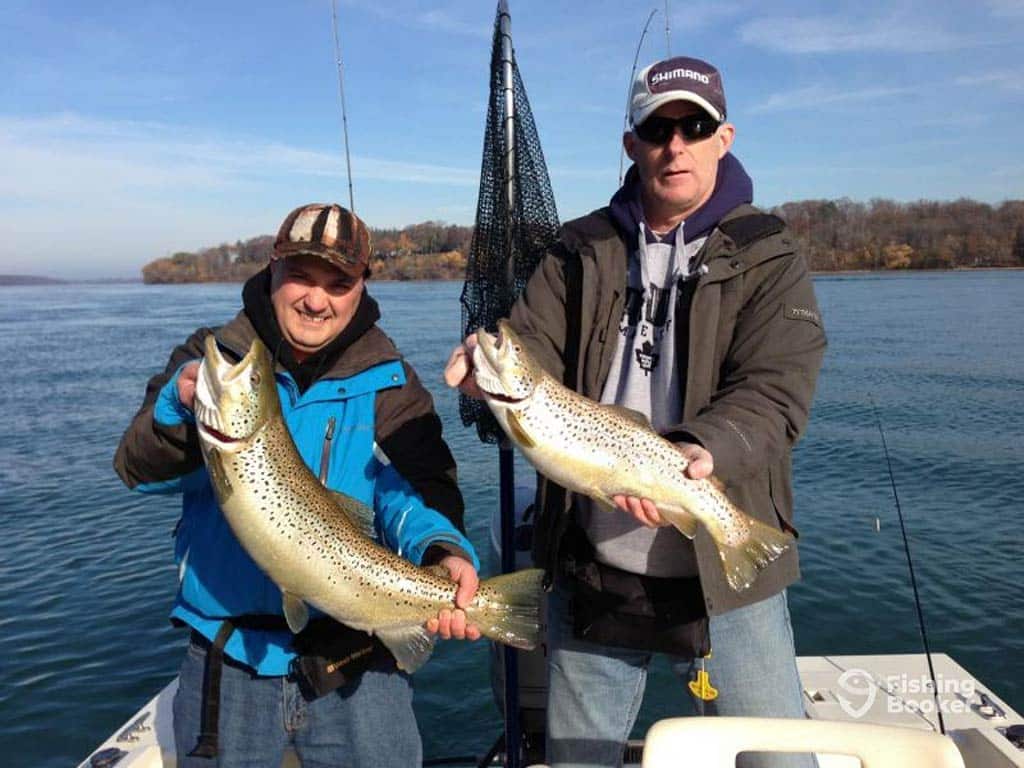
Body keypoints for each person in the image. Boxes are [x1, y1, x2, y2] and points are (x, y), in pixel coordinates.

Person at [446, 55, 826, 767]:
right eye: (657, 127)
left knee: (782, 758)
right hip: (595, 567)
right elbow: (526, 343)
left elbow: (775, 391)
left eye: (694, 125)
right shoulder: (578, 247)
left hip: (726, 576)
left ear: (724, 136)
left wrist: (701, 449)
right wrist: (481, 366)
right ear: (632, 143)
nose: (674, 143)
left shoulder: (770, 254)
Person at [115, 203, 480, 767]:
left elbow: (422, 489)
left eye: (338, 283)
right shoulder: (210, 358)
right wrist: (178, 408)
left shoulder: (392, 381)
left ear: (362, 286)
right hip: (227, 657)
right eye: (302, 277)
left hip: (360, 653)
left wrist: (443, 550)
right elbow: (138, 470)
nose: (317, 300)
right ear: (272, 269)